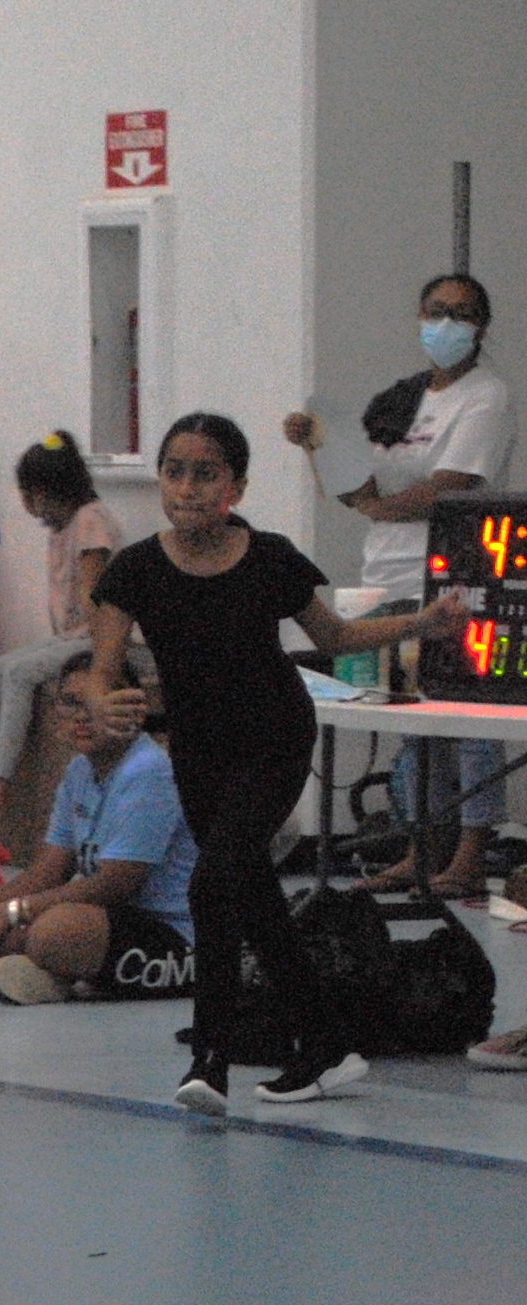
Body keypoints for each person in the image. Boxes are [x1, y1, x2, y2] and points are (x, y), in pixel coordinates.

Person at [89, 414, 466, 1111]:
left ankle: (209, 1060)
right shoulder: (135, 570)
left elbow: (337, 634)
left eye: (206, 474)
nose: (188, 487)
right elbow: (100, 668)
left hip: (273, 737)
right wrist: (104, 703)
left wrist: (419, 623)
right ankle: (327, 1045)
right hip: (199, 750)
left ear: (237, 485)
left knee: (212, 882)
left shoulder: (271, 559)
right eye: (175, 471)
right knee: (254, 896)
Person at [287, 273, 514, 898]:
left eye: (461, 314)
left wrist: (382, 508)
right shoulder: (403, 398)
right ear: (419, 315)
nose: (446, 323)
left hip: (453, 574)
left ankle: (470, 852)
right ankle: (421, 849)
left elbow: (452, 486)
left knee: (466, 718)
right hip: (386, 574)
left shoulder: (485, 395)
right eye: (437, 311)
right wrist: (316, 445)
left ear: (481, 328)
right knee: (413, 716)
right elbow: (354, 482)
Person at [0, 653, 199, 1008]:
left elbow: (117, 883)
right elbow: (50, 869)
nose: (82, 716)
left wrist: (16, 912)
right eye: (71, 703)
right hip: (111, 918)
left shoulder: (150, 770)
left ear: (131, 706)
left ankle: (54, 969)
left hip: (173, 931)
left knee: (53, 931)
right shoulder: (79, 771)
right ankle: (55, 974)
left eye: (96, 703)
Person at [0, 433, 127, 819]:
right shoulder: (64, 526)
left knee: (21, 674)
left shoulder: (91, 521)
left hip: (96, 638)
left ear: (48, 491)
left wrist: (101, 659)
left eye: (28, 495)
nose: (25, 505)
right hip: (70, 636)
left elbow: (94, 593)